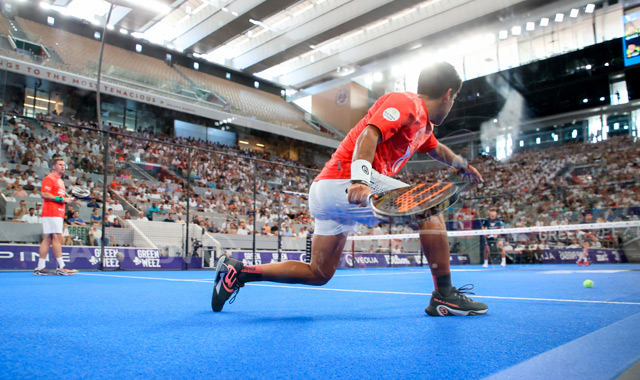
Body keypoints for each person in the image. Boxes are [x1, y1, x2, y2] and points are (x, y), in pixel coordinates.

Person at [211, 62, 488, 316]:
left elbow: (436, 148)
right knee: (430, 209)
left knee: (319, 272)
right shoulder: (405, 103)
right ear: (448, 94)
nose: (452, 104)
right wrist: (361, 179)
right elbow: (369, 134)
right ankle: (445, 294)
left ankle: (240, 271)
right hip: (345, 182)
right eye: (454, 99)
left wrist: (461, 164)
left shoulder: (423, 127)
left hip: (326, 192)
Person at [34, 157, 78, 275]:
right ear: (54, 166)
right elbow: (44, 194)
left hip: (57, 212)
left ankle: (40, 267)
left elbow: (61, 198)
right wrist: (62, 199)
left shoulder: (61, 181)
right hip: (51, 212)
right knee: (57, 238)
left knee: (48, 239)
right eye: (60, 164)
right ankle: (62, 266)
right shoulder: (50, 178)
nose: (63, 166)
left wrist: (69, 200)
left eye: (64, 165)